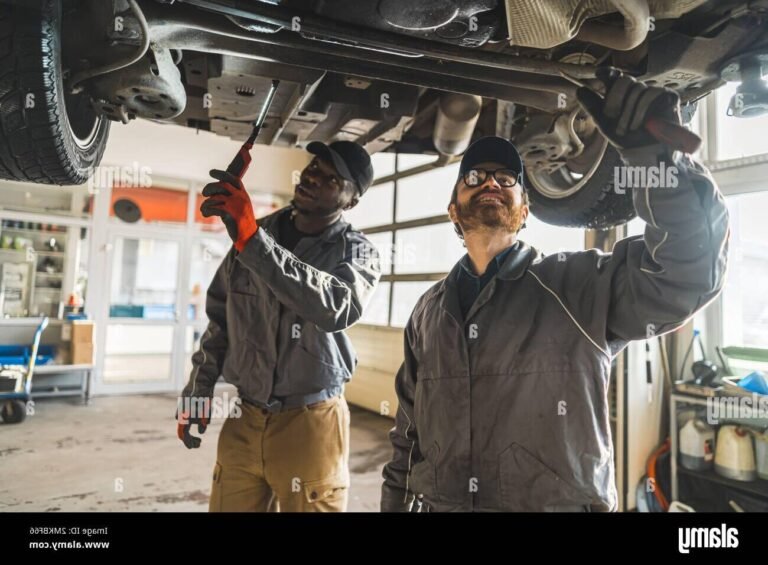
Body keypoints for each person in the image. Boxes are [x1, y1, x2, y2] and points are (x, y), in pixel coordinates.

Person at [380, 68, 729, 512]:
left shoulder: (579, 284)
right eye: (475, 177)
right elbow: (407, 428)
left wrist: (653, 160)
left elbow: (686, 275)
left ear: (525, 211)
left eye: (507, 179)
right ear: (453, 210)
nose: (491, 182)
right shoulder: (428, 312)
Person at [178, 140, 381, 512]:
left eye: (332, 177)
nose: (314, 177)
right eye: (315, 166)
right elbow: (221, 315)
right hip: (245, 417)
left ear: (351, 201)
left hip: (312, 424)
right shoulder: (254, 233)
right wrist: (198, 388)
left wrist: (253, 241)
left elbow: (337, 306)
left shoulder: (358, 251)